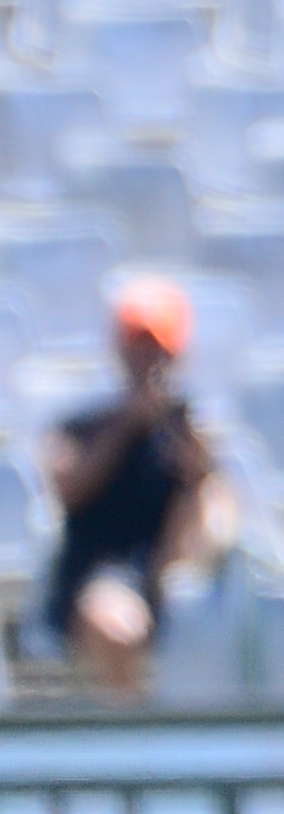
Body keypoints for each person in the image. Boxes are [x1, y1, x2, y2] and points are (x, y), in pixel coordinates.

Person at [41, 278, 228, 699]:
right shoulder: (85, 426)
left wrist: (199, 474)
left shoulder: (188, 434)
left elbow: (216, 516)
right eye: (137, 346)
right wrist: (127, 424)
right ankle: (129, 739)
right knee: (115, 624)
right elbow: (67, 486)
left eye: (156, 348)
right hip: (98, 574)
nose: (147, 360)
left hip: (167, 577)